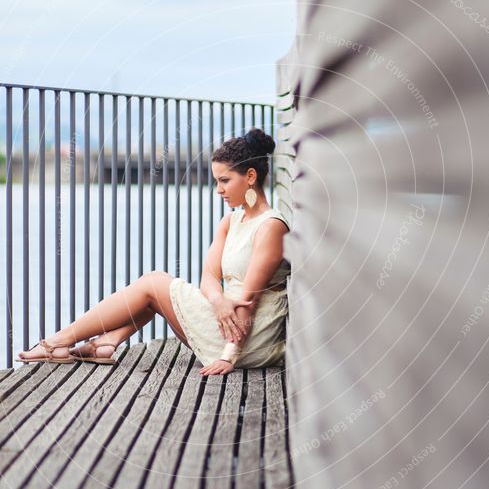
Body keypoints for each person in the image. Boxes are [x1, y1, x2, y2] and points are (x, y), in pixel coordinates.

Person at [17, 128, 291, 375]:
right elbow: (208, 276)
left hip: (248, 337)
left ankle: (58, 342)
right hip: (223, 320)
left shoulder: (270, 227)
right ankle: (106, 342)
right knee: (155, 289)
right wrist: (218, 300)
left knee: (153, 284)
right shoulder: (231, 221)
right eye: (216, 181)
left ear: (251, 176)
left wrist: (229, 357)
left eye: (225, 180)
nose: (218, 190)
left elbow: (248, 303)